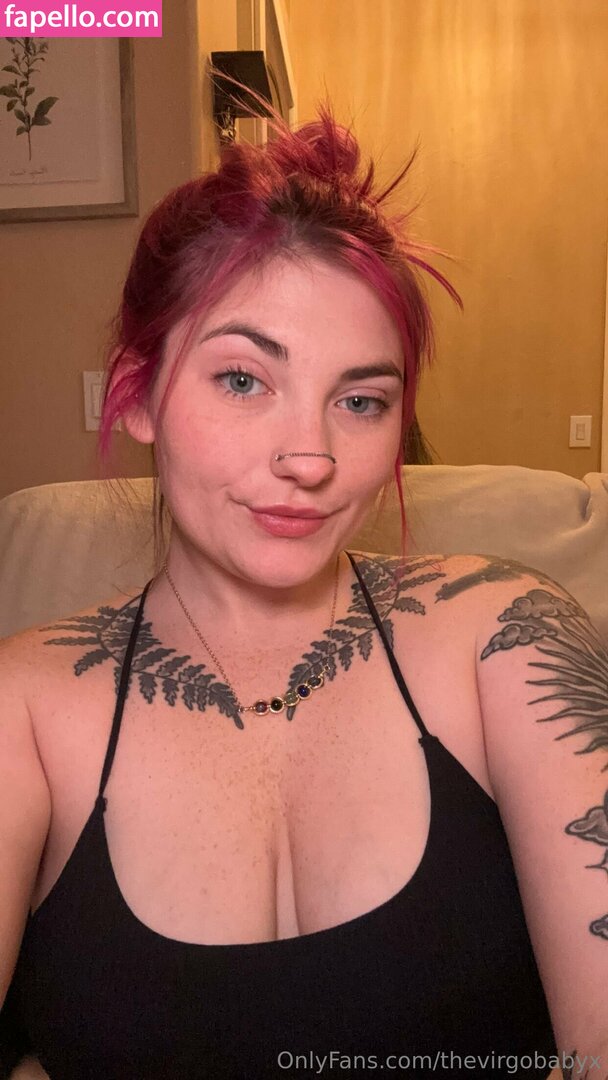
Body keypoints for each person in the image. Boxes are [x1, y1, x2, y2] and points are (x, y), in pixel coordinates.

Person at [1, 105, 606, 1080]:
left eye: (360, 401)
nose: (311, 457)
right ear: (136, 392)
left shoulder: (506, 637)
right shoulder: (22, 707)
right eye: (244, 381)